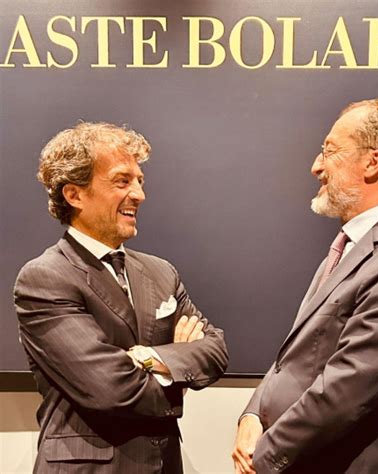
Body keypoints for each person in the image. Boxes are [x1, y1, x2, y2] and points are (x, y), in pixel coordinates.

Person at [232, 98, 378, 474]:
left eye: (330, 151)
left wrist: (263, 457)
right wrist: (252, 414)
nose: (317, 166)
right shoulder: (352, 247)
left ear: (373, 163)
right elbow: (294, 359)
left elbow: (347, 388)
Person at [14, 122, 228, 473]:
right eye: (122, 181)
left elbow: (216, 351)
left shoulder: (161, 271)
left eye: (140, 181)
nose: (139, 194)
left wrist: (147, 358)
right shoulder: (45, 278)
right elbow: (111, 388)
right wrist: (177, 369)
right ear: (74, 194)